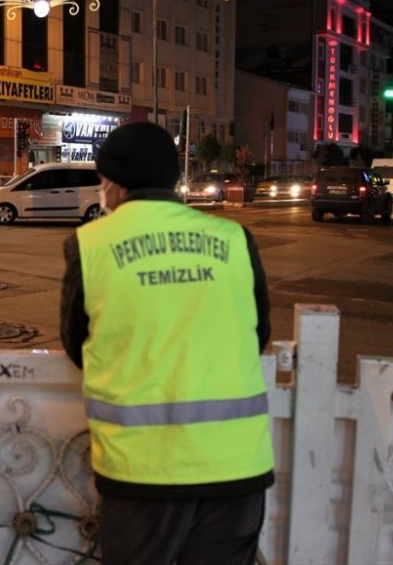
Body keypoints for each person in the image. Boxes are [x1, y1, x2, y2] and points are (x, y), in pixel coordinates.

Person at [59, 122, 273, 565]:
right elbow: (259, 335)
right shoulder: (234, 239)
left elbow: (75, 341)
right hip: (236, 466)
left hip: (142, 471)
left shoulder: (91, 244)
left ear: (113, 185)